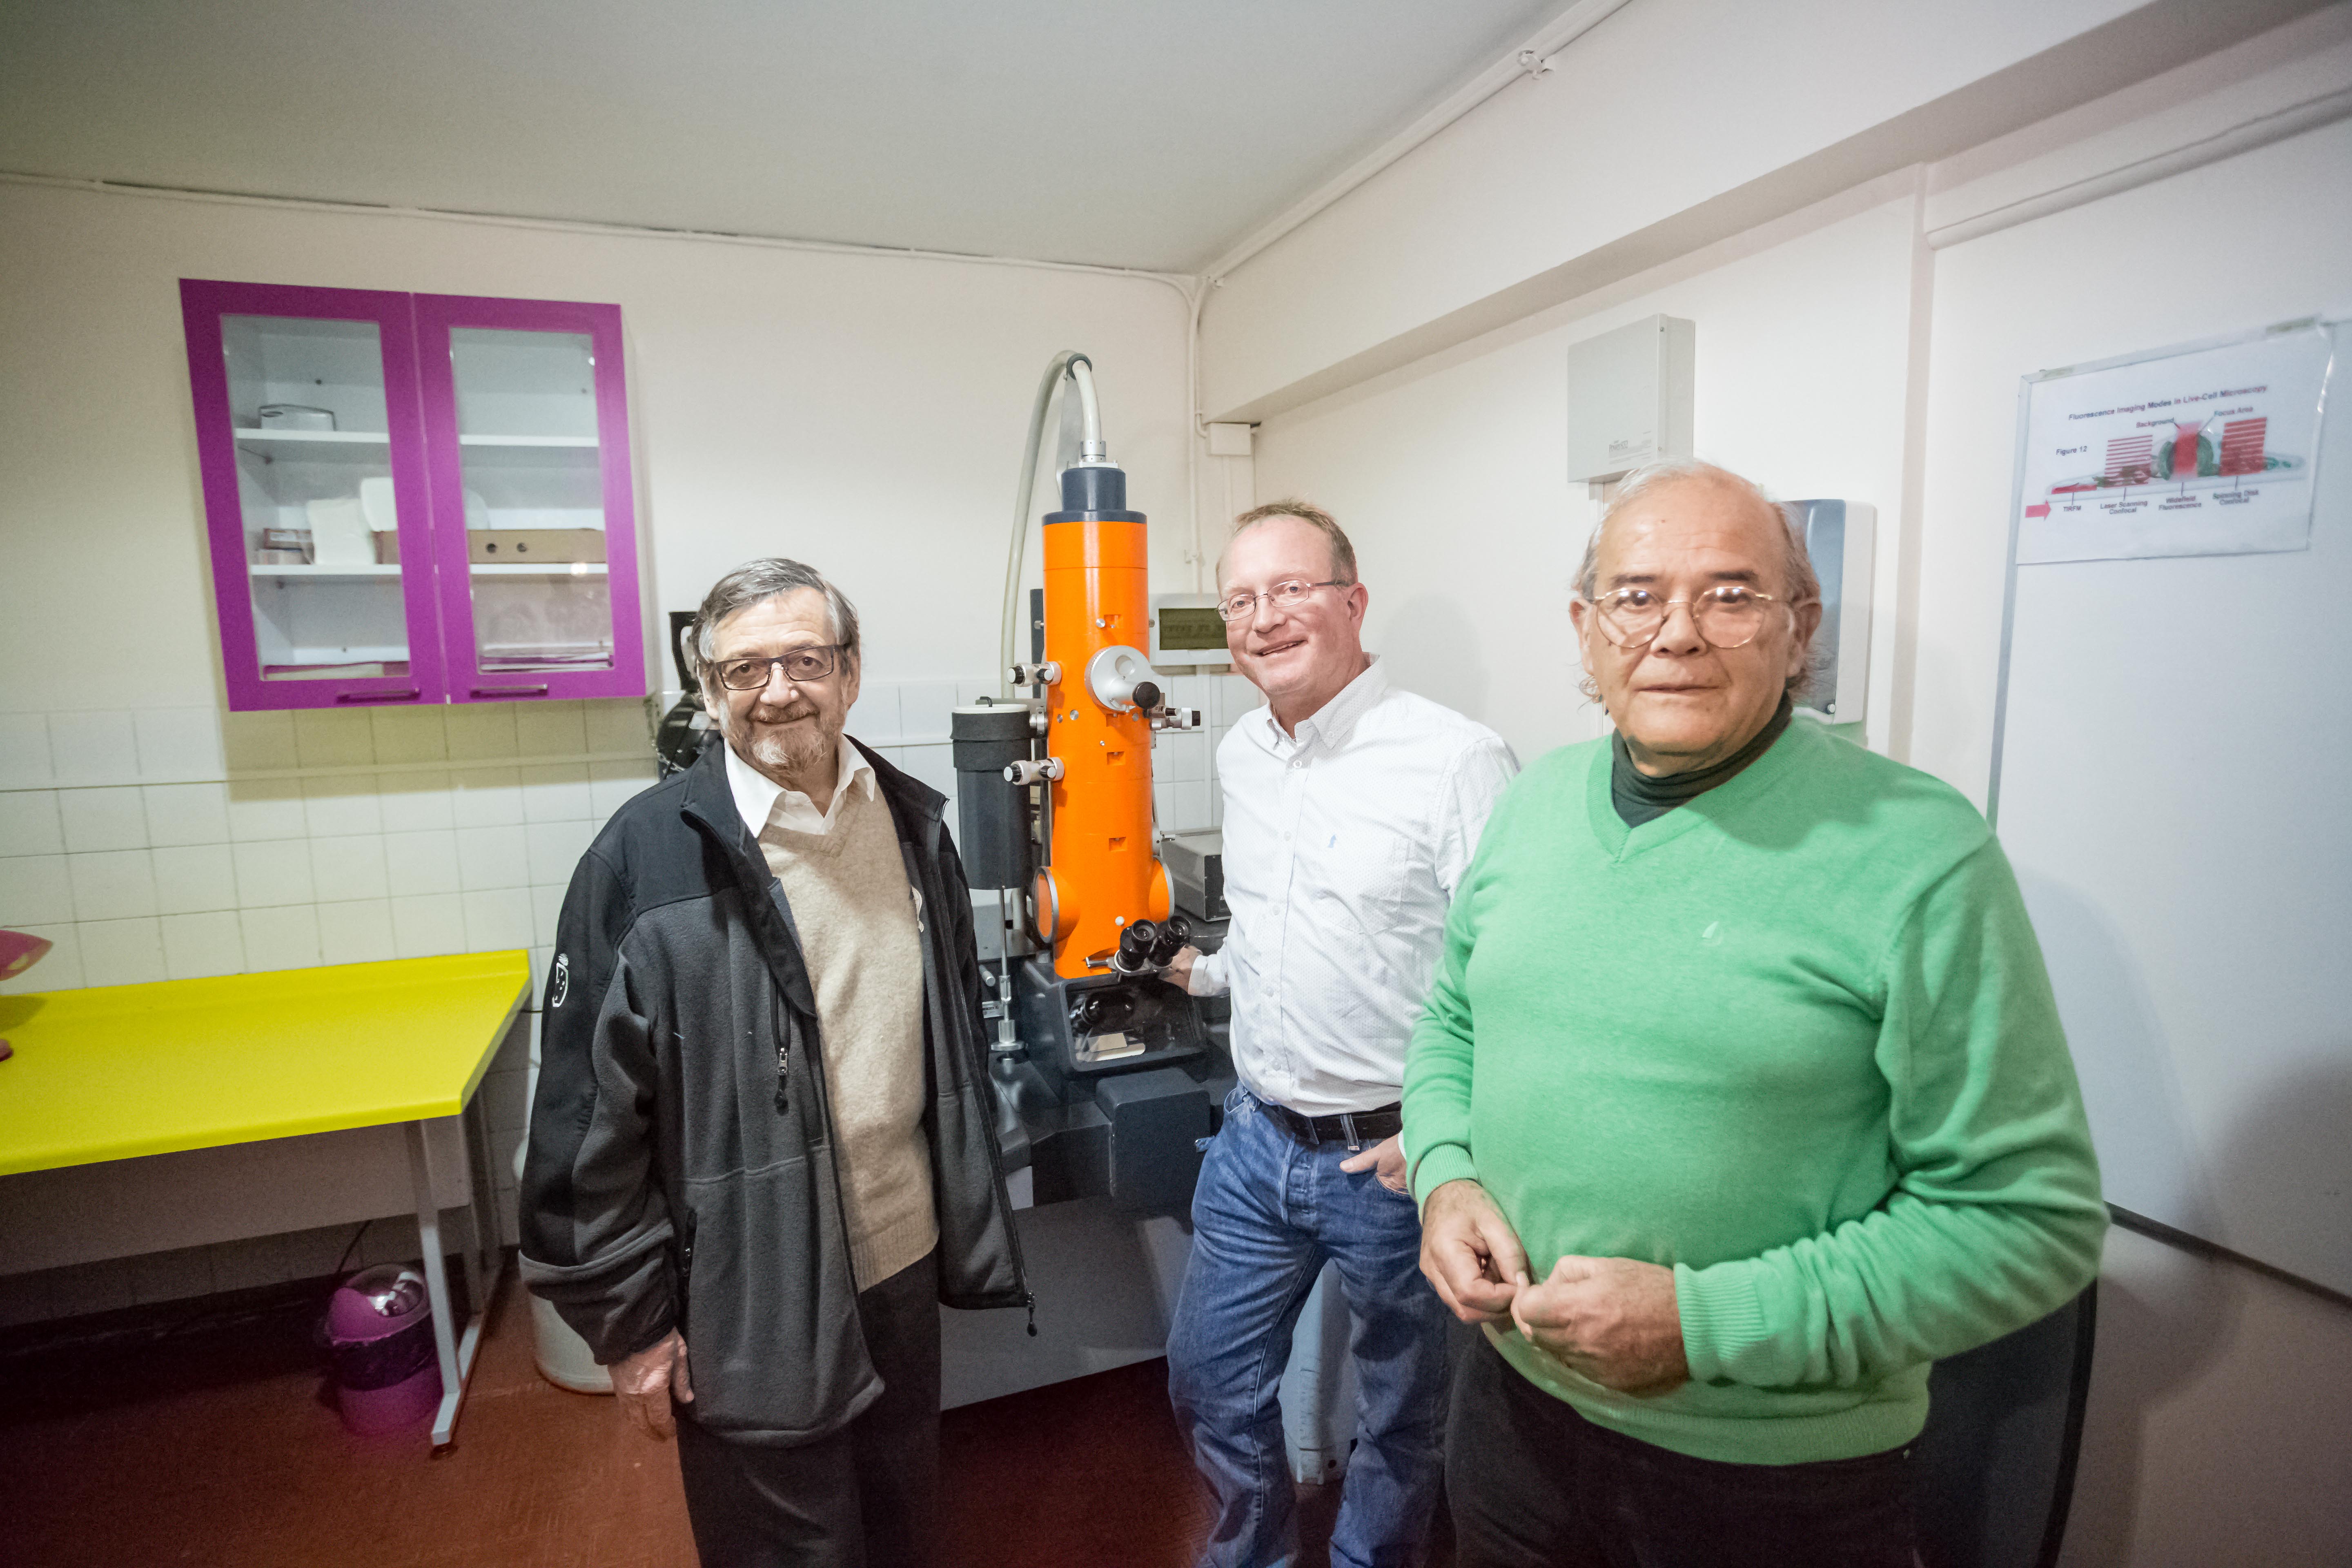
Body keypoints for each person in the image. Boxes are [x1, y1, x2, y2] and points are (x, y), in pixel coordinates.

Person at [1403, 460, 2107, 1568]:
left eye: (1730, 596)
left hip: (1771, 1482)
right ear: (1587, 630)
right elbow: (1452, 1024)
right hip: (1509, 1418)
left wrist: (1701, 1327)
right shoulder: (1532, 805)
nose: (1677, 633)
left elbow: (2028, 1221)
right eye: (1638, 596)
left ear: (1800, 627)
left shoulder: (1919, 853)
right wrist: (1446, 1177)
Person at [520, 558, 1029, 1568]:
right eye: (745, 669)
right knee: (785, 1548)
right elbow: (585, 1127)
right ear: (710, 693)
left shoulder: (912, 822)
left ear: (850, 673)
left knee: (902, 1522)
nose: (778, 691)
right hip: (748, 1287)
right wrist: (631, 1327)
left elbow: (951, 1022)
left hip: (900, 1254)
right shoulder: (642, 861)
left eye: (805, 660)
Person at [1164, 500, 1519, 1568]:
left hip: (1393, 1160)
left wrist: (1443, 1136)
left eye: (1290, 590)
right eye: (1240, 600)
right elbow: (1273, 921)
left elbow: (1509, 975)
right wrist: (1203, 973)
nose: (1263, 618)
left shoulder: (1456, 760)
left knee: (1406, 1415)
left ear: (1353, 603)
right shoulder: (1243, 753)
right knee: (1209, 1382)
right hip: (1256, 1141)